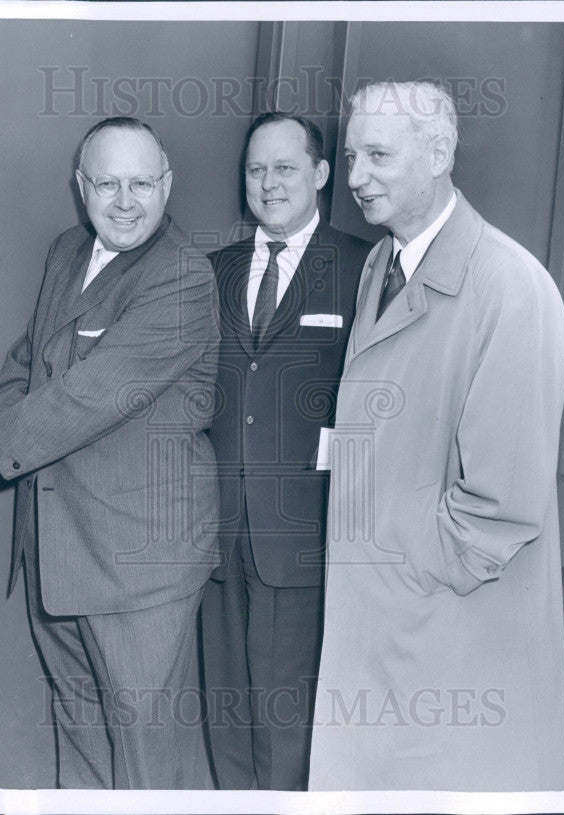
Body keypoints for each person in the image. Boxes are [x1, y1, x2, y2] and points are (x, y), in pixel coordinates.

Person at [0, 117, 220, 790]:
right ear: (81, 187)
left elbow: (90, 394)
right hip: (61, 552)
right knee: (80, 742)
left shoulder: (183, 277)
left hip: (139, 567)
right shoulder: (67, 251)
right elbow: (30, 367)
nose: (125, 200)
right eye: (107, 182)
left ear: (168, 184)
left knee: (144, 765)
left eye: (141, 183)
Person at [307, 81, 564, 791]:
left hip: (447, 636)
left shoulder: (513, 289)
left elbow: (500, 508)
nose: (355, 177)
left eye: (378, 155)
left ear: (440, 153)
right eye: (352, 153)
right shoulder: (380, 264)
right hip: (383, 625)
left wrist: (404, 559)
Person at [200, 112, 370, 790]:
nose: (268, 184)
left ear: (322, 174)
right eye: (255, 170)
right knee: (224, 711)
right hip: (217, 533)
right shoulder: (214, 271)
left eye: (285, 168)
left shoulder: (364, 266)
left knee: (286, 718)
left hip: (304, 534)